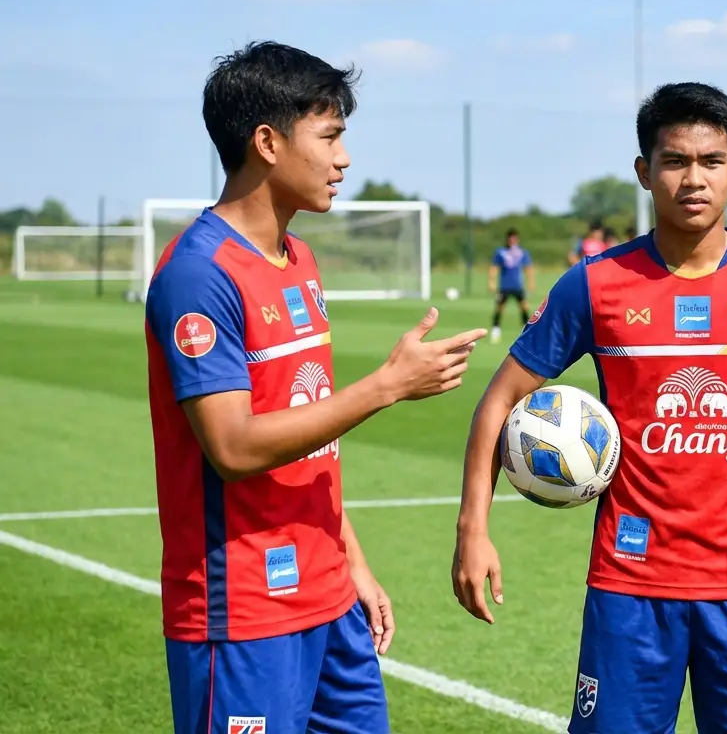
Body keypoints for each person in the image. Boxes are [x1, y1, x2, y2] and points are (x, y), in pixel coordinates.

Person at [451, 82, 727, 734]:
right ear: (644, 172)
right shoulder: (597, 284)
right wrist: (472, 529)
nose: (694, 179)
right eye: (675, 161)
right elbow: (499, 400)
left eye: (712, 161)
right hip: (630, 585)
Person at [144, 41, 486, 734]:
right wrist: (387, 386)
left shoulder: (298, 260)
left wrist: (349, 561)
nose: (344, 159)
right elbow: (234, 448)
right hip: (242, 611)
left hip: (329, 598)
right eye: (329, 136)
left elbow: (309, 439)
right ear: (267, 142)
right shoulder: (198, 274)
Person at [489, 227, 534, 344]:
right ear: (507, 239)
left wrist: (531, 282)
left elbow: (528, 268)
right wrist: (492, 281)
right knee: (499, 308)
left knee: (524, 307)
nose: (512, 241)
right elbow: (494, 267)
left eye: (514, 238)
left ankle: (525, 332)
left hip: (518, 286)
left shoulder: (522, 253)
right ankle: (496, 331)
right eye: (510, 238)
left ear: (517, 239)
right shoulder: (501, 252)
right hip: (504, 286)